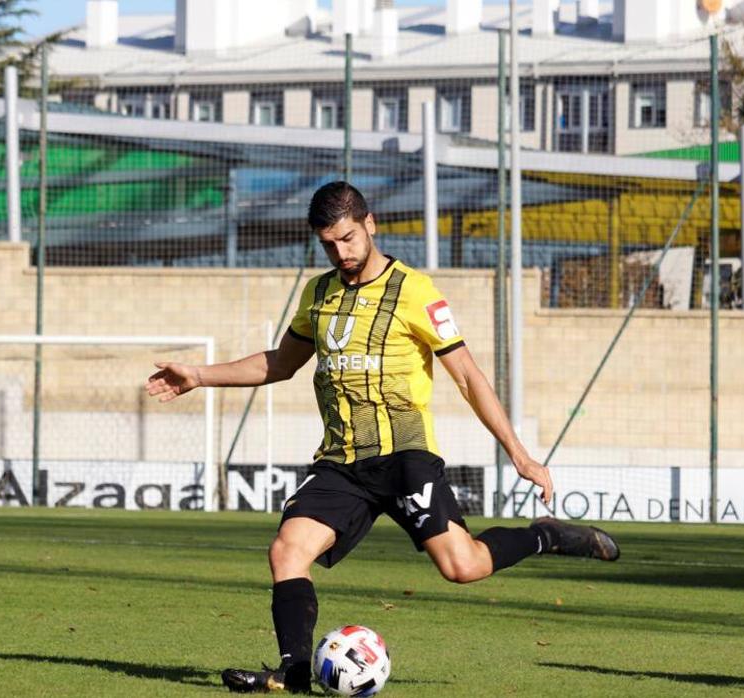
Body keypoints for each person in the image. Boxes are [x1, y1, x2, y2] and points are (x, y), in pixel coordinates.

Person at [146, 182, 618, 694]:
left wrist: (520, 455)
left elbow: (467, 376)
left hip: (404, 458)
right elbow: (281, 363)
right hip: (341, 463)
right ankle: (295, 673)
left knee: (463, 567)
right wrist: (199, 374)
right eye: (328, 245)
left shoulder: (415, 291)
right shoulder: (318, 294)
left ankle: (546, 535)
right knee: (287, 550)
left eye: (348, 239)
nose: (341, 253)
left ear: (370, 224)